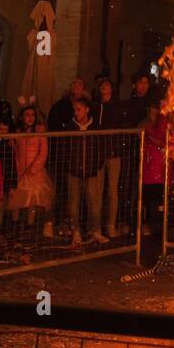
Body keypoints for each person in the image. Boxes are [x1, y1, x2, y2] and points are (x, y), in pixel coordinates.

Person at [62, 95, 106, 246]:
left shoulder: (96, 128)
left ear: (87, 110)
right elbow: (65, 149)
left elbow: (101, 148)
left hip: (91, 170)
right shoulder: (69, 127)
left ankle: (95, 230)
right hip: (74, 170)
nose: (76, 113)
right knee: (73, 202)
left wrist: (97, 165)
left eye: (79, 109)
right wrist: (69, 165)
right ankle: (76, 231)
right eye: (75, 110)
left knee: (94, 202)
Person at [8, 105, 53, 242]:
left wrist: (34, 168)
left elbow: (43, 151)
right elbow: (17, 152)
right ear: (22, 117)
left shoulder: (40, 131)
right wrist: (17, 166)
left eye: (32, 115)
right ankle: (15, 227)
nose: (30, 118)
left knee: (32, 200)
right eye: (27, 115)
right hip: (20, 170)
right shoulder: (18, 131)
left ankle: (29, 227)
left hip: (34, 172)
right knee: (17, 199)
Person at [92, 78, 128, 238]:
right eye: (102, 85)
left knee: (112, 191)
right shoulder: (95, 107)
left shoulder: (118, 107)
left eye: (107, 85)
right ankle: (96, 227)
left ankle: (111, 225)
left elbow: (121, 127)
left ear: (112, 89)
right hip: (99, 152)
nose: (105, 87)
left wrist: (117, 145)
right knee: (97, 191)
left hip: (113, 153)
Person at [139, 98, 169, 264]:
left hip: (161, 171)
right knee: (149, 201)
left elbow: (162, 141)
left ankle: (159, 235)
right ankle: (148, 232)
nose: (155, 111)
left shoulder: (163, 124)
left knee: (159, 204)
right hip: (149, 170)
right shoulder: (145, 124)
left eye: (157, 108)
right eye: (153, 108)